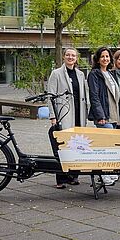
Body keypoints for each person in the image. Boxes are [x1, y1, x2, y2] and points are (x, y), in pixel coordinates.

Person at [47, 47, 88, 189]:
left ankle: (73, 176)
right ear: (64, 57)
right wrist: (53, 116)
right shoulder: (56, 73)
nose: (71, 57)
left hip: (78, 114)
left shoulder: (81, 74)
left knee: (77, 145)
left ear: (76, 58)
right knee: (63, 146)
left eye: (73, 55)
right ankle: (61, 178)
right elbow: (50, 96)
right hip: (64, 114)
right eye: (68, 55)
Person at [87, 47, 120, 186]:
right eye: (102, 56)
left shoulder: (111, 74)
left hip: (113, 115)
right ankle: (103, 174)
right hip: (103, 116)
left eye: (107, 56)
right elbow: (94, 96)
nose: (105, 59)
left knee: (111, 145)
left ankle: (110, 171)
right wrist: (100, 115)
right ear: (97, 59)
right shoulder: (95, 74)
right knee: (104, 146)